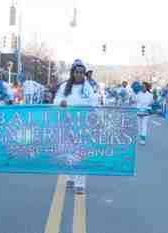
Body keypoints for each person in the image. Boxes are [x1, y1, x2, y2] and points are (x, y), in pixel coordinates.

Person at [53, 59, 98, 194]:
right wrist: (62, 102)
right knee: (68, 150)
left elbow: (94, 103)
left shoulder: (88, 88)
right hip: (66, 123)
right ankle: (70, 177)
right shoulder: (65, 86)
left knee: (81, 152)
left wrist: (94, 117)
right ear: (72, 73)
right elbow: (56, 100)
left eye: (81, 72)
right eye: (76, 72)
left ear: (84, 74)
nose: (79, 74)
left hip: (83, 125)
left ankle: (80, 183)